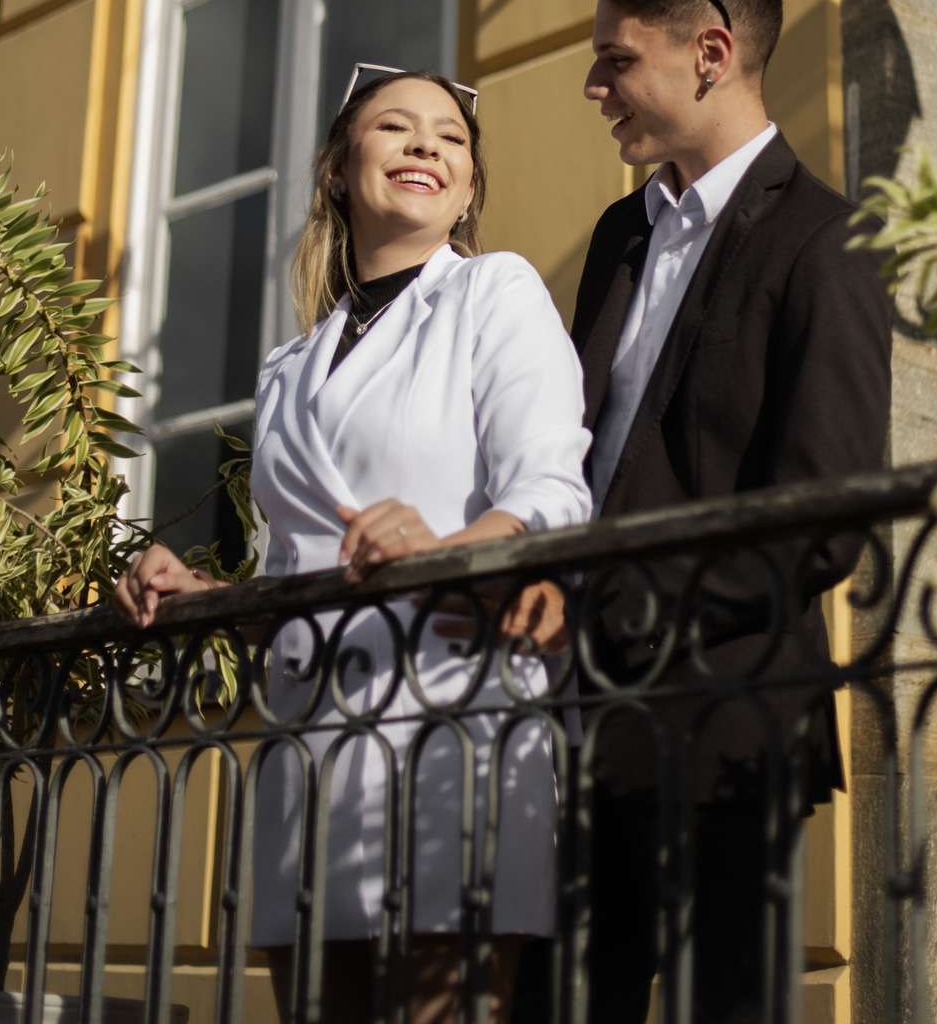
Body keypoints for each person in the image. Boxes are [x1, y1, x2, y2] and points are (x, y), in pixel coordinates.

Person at [115, 68, 591, 1024]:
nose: (426, 147)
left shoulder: (494, 293)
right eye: (396, 128)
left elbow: (553, 492)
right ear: (336, 168)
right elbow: (295, 582)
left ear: (467, 183)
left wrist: (446, 548)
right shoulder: (287, 368)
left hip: (450, 722)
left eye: (450, 138)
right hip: (310, 745)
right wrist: (201, 594)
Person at [571, 0, 892, 1024]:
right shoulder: (617, 235)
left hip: (725, 717)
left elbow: (824, 519)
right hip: (571, 715)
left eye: (616, 60)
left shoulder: (827, 242)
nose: (594, 87)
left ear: (709, 54)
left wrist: (621, 609)